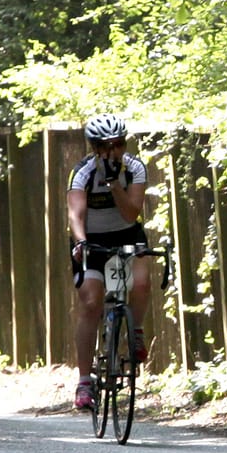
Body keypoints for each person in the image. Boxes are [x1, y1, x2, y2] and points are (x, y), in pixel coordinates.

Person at [69, 115, 153, 412]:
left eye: (119, 144)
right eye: (106, 146)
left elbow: (132, 214)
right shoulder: (82, 172)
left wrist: (115, 184)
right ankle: (83, 380)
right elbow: (75, 214)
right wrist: (80, 241)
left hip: (127, 233)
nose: (113, 151)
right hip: (91, 238)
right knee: (91, 302)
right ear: (94, 147)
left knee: (141, 282)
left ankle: (137, 331)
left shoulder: (136, 168)